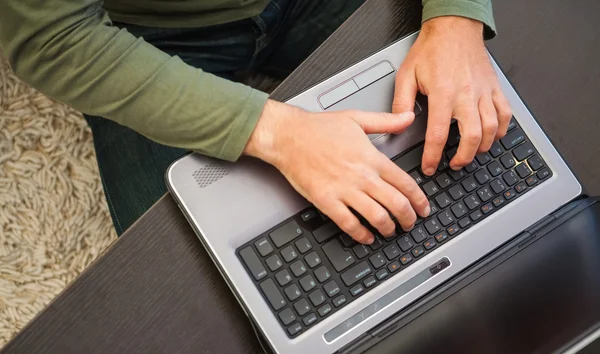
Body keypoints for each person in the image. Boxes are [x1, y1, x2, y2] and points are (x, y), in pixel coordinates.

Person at [0, 0, 511, 245]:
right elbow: (53, 39)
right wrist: (275, 131)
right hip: (146, 36)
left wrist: (455, 17)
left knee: (480, 150)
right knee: (190, 282)